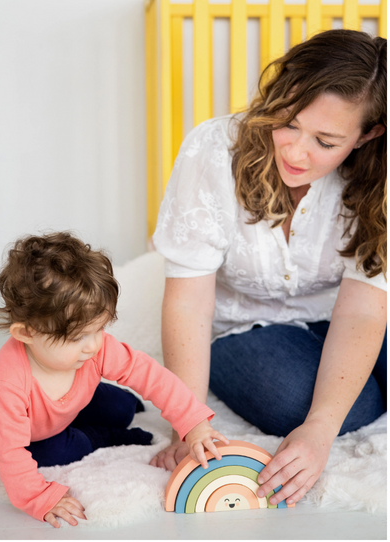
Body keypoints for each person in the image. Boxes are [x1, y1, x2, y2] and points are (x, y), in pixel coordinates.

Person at [150, 29, 387, 508]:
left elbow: (363, 309)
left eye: (325, 141)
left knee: (331, 409)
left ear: (368, 135)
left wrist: (321, 431)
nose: (296, 152)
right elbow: (190, 299)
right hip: (249, 324)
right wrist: (189, 421)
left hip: (342, 311)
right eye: (289, 122)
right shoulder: (214, 151)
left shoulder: (379, 178)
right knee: (325, 404)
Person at [0, 232, 228, 527]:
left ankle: (110, 416)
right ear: (26, 333)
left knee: (121, 407)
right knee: (57, 451)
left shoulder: (94, 347)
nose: (93, 345)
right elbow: (11, 456)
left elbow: (151, 376)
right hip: (27, 433)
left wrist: (193, 423)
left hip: (74, 402)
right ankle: (103, 438)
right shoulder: (7, 386)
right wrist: (40, 498)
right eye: (78, 336)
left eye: (100, 328)